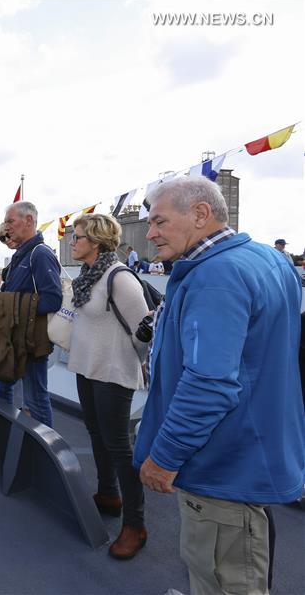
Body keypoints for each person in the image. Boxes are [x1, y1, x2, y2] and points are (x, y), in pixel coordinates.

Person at [133, 177, 304, 595]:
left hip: (223, 461)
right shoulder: (269, 258)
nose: (150, 233)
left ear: (200, 214)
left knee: (223, 577)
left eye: (159, 221)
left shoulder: (214, 276)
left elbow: (209, 385)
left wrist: (164, 457)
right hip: (259, 444)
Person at [68, 214, 150, 560]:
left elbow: (144, 331)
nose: (72, 242)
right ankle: (108, 494)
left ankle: (135, 524)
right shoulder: (87, 276)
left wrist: (127, 358)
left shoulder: (120, 278)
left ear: (97, 242)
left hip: (113, 372)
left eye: (78, 237)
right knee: (96, 434)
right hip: (87, 367)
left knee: (118, 446)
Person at [0, 201, 62, 427]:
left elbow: (53, 299)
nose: (6, 226)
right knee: (1, 390)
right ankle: (2, 433)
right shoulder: (20, 256)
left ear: (29, 221)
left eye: (10, 221)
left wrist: (9, 305)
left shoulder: (40, 254)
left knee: (35, 400)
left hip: (30, 342)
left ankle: (43, 446)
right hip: (12, 337)